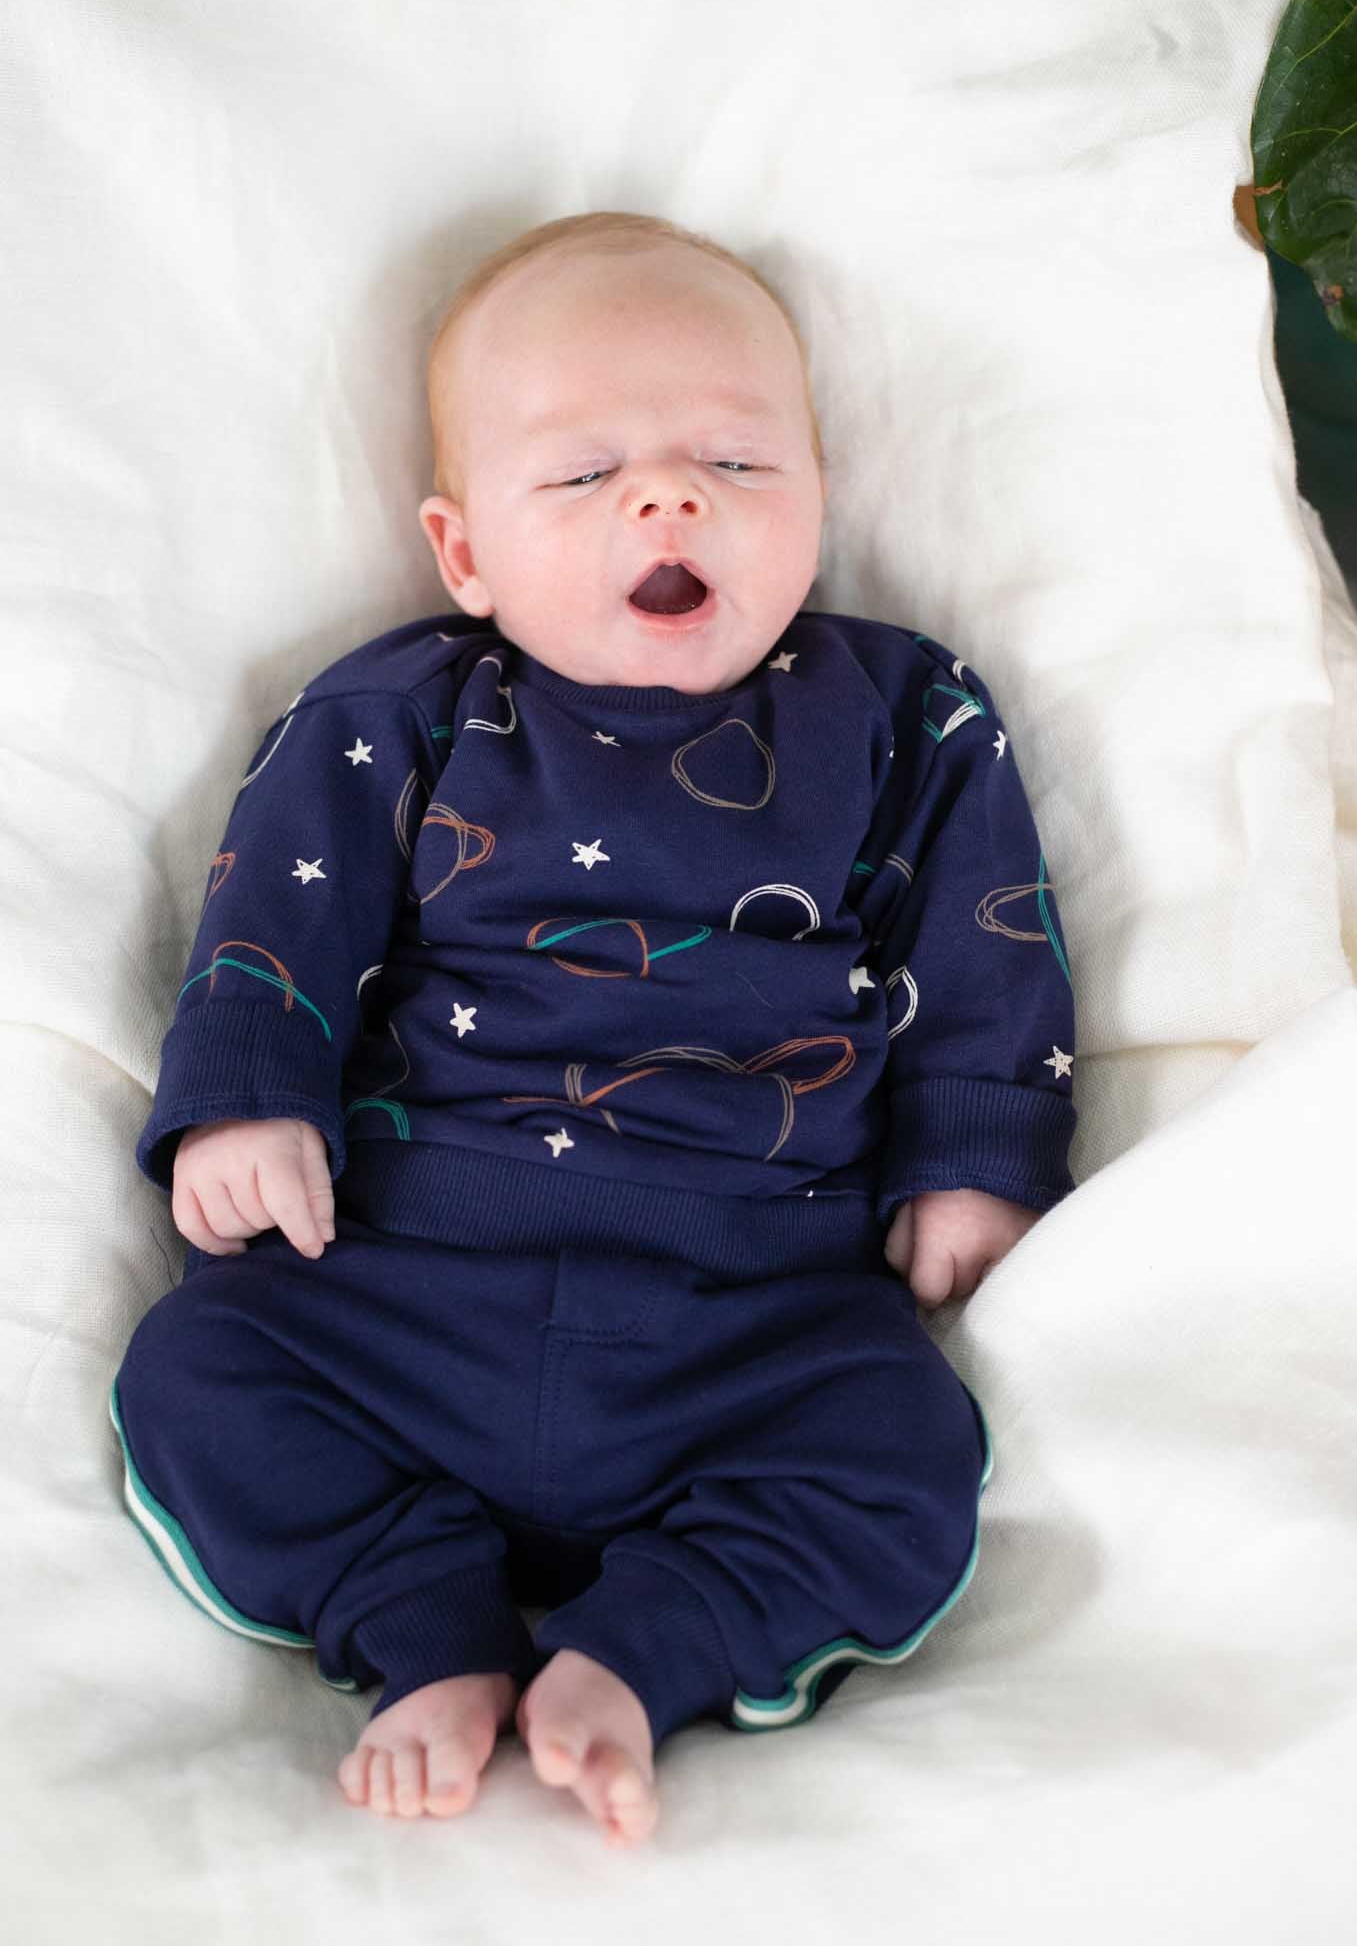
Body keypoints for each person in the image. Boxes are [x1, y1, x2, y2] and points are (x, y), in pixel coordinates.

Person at [109, 211, 1076, 1848]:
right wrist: (249, 1096)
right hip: (399, 1291)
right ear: (464, 552)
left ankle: (642, 1652)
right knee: (197, 1371)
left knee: (907, 1440)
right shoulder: (397, 712)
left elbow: (986, 942)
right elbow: (279, 911)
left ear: (818, 496)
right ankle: (425, 1630)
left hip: (752, 1316)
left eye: (735, 462)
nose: (668, 498)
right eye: (581, 474)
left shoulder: (902, 713)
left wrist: (973, 1158)